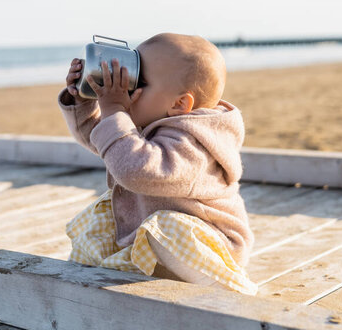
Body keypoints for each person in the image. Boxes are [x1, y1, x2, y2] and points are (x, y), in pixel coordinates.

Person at [57, 33, 257, 295]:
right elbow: (108, 144)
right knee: (99, 220)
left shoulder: (197, 141)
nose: (125, 88)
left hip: (212, 246)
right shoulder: (151, 118)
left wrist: (115, 110)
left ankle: (224, 287)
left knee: (166, 229)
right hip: (158, 241)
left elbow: (136, 169)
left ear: (179, 104)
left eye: (137, 82)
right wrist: (83, 101)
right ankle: (86, 283)